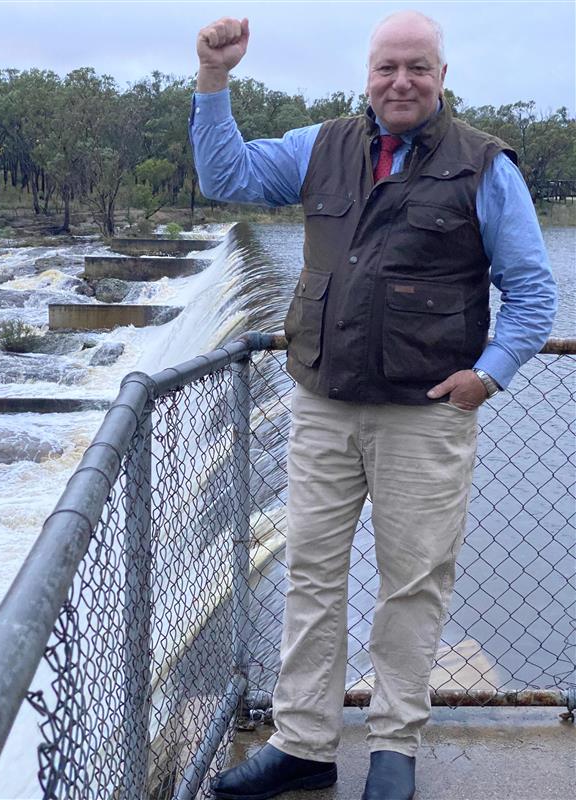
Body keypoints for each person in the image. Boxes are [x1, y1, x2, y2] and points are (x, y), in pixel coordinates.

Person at [191, 11, 557, 800]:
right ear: (367, 74)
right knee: (312, 578)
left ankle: (394, 748)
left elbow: (532, 293)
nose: (401, 81)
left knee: (412, 582)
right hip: (323, 405)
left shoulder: (486, 166)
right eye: (388, 67)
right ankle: (305, 745)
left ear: (442, 76)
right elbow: (227, 179)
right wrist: (215, 79)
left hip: (427, 413)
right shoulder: (319, 147)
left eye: (417, 67)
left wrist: (487, 376)